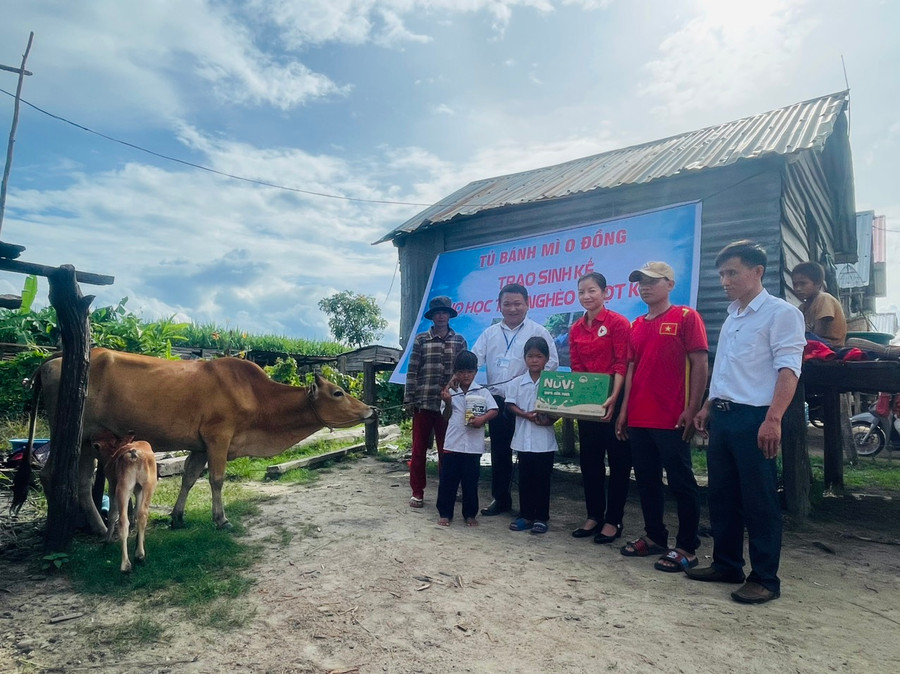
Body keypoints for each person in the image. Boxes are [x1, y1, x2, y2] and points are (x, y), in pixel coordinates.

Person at [687, 240, 805, 605]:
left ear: (757, 272)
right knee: (722, 496)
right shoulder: (732, 315)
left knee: (760, 501)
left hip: (756, 418)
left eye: (732, 272)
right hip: (723, 417)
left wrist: (774, 419)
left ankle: (766, 578)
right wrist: (708, 405)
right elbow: (724, 368)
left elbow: (789, 369)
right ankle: (727, 564)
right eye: (721, 274)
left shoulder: (781, 313)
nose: (725, 280)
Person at [615, 261, 708, 573]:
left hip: (672, 417)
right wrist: (624, 411)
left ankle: (686, 547)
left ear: (669, 284)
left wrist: (693, 407)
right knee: (646, 481)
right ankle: (655, 536)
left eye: (652, 281)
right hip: (639, 417)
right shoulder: (636, 325)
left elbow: (699, 363)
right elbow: (631, 370)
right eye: (640, 281)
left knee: (682, 482)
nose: (645, 286)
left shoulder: (685, 317)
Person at [472, 283, 559, 516]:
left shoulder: (538, 331)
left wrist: (527, 383)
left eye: (517, 303)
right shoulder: (489, 333)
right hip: (499, 401)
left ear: (528, 304)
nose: (512, 309)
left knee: (529, 455)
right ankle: (501, 500)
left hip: (528, 402)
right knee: (500, 452)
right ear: (499, 306)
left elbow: (552, 364)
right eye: (507, 304)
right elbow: (474, 360)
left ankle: (530, 508)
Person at [568, 272, 632, 544]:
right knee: (590, 462)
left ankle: (613, 519)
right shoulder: (575, 329)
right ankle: (594, 515)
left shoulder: (618, 323)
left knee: (618, 463)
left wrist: (614, 399)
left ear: (606, 293)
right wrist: (585, 401)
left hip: (615, 404)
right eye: (581, 291)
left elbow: (622, 363)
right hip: (589, 405)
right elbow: (577, 368)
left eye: (592, 290)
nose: (586, 296)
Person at [404, 296, 468, 508]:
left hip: (448, 406)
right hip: (423, 402)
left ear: (449, 315)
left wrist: (455, 387)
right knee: (419, 450)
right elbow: (412, 370)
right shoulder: (422, 339)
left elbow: (464, 371)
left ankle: (448, 489)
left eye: (445, 312)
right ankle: (417, 491)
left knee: (447, 450)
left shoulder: (459, 341)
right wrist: (409, 398)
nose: (441, 316)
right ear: (432, 317)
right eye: (437, 313)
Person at [436, 351, 499, 527]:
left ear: (476, 372)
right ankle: (445, 513)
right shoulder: (449, 391)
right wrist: (447, 402)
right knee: (448, 481)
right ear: (455, 372)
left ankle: (470, 514)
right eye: (461, 372)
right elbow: (445, 416)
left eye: (469, 372)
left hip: (473, 446)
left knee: (470, 482)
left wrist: (482, 420)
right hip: (453, 443)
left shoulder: (482, 391)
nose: (465, 376)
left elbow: (494, 409)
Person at [505, 336, 558, 534]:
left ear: (546, 359)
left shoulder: (553, 383)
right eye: (530, 356)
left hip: (544, 441)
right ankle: (525, 515)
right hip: (523, 440)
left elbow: (558, 409)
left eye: (539, 356)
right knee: (525, 480)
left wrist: (550, 419)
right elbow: (509, 404)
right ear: (525, 358)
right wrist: (525, 415)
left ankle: (541, 517)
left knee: (542, 481)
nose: (534, 360)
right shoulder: (517, 382)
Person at [790, 262, 847, 348]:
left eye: (803, 284)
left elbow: (817, 334)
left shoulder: (823, 298)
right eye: (795, 284)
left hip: (829, 347)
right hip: (814, 345)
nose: (798, 289)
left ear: (818, 283)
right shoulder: (803, 307)